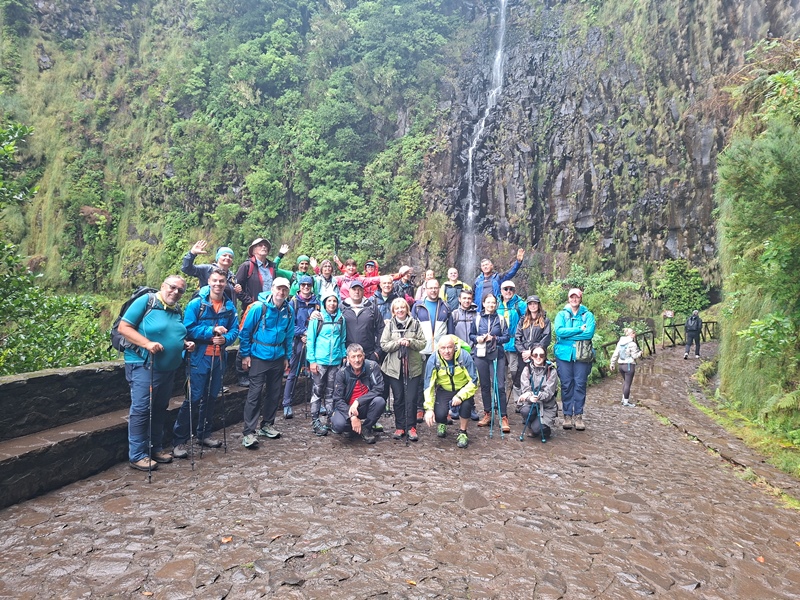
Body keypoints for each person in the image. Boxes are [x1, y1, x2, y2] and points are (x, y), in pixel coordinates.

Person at [117, 276, 196, 471]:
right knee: (142, 409)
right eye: (172, 287)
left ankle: (155, 448)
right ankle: (137, 455)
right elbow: (124, 327)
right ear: (163, 286)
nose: (175, 292)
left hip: (167, 368)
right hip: (143, 364)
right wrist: (147, 343)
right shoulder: (147, 301)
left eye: (180, 290)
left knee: (160, 408)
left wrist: (185, 344)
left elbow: (175, 333)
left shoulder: (175, 309)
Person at [173, 269, 239, 458]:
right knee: (192, 399)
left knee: (211, 398)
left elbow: (235, 330)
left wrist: (225, 339)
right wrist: (211, 331)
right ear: (208, 282)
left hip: (218, 359)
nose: (218, 284)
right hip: (198, 359)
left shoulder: (229, 306)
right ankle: (179, 440)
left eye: (222, 281)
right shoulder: (197, 305)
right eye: (215, 281)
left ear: (226, 283)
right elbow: (188, 328)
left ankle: (204, 433)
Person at [239, 277, 294, 448]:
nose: (281, 292)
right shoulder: (258, 308)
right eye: (279, 288)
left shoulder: (289, 310)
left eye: (285, 289)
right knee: (254, 394)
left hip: (278, 357)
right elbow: (245, 332)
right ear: (272, 289)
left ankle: (267, 425)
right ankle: (249, 432)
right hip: (259, 356)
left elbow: (289, 336)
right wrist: (245, 355)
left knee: (274, 393)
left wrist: (287, 357)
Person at [233, 238, 292, 387]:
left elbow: (278, 271)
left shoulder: (271, 266)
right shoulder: (247, 266)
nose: (263, 247)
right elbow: (237, 287)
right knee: (247, 334)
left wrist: (280, 255)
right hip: (254, 307)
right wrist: (250, 301)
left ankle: (259, 370)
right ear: (253, 250)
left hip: (271, 306)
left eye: (265, 245)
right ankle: (241, 372)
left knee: (265, 335)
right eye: (260, 245)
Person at [381, 298, 427, 441]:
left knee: (412, 398)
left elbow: (423, 343)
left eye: (402, 307)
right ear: (393, 311)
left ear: (407, 309)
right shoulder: (389, 326)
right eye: (397, 308)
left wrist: (410, 342)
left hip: (412, 367)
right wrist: (397, 343)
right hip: (394, 368)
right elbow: (384, 344)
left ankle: (411, 427)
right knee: (399, 397)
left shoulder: (415, 324)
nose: (400, 310)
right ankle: (400, 426)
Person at [423, 335, 479, 448]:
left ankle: (463, 432)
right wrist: (428, 408)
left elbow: (474, 380)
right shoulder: (433, 360)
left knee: (466, 406)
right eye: (443, 348)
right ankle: (442, 423)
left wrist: (461, 396)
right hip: (444, 389)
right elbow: (429, 385)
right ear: (438, 348)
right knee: (439, 414)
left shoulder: (464, 356)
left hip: (463, 388)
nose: (447, 351)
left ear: (455, 347)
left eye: (449, 347)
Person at [553, 288, 596, 431]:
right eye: (571, 297)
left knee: (580, 384)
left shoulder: (588, 315)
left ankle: (578, 415)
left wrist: (567, 336)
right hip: (563, 355)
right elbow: (559, 331)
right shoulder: (561, 314)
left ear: (580, 298)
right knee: (566, 385)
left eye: (576, 297)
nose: (574, 299)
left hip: (582, 355)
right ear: (568, 298)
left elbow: (588, 334)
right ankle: (567, 415)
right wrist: (579, 329)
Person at [306, 292, 347, 436]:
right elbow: (310, 340)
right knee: (317, 392)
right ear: (324, 303)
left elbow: (342, 339)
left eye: (334, 301)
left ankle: (331, 418)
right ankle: (315, 421)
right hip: (320, 362)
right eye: (329, 301)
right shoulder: (318, 318)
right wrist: (312, 360)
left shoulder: (341, 319)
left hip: (335, 362)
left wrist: (343, 356)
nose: (332, 304)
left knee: (331, 392)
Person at [411, 279, 452, 422]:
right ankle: (420, 408)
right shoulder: (418, 306)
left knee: (442, 380)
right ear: (425, 289)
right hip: (422, 349)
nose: (433, 290)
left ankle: (443, 409)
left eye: (436, 288)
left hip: (441, 350)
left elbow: (450, 330)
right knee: (422, 379)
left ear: (439, 289)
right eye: (431, 288)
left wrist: (449, 348)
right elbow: (413, 328)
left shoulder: (445, 306)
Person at [330, 344, 387, 444]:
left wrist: (358, 401)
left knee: (380, 401)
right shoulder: (342, 373)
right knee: (338, 425)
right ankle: (351, 428)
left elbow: (379, 388)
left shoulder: (372, 366)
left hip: (365, 405)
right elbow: (338, 399)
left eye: (359, 356)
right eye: (353, 357)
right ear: (348, 358)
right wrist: (352, 416)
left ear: (363, 356)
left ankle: (366, 428)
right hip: (348, 408)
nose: (357, 360)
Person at [471, 294, 511, 432]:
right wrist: (478, 338)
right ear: (483, 303)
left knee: (499, 385)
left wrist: (494, 338)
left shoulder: (500, 319)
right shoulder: (477, 318)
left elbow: (506, 337)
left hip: (497, 354)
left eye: (493, 303)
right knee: (485, 386)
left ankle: (503, 416)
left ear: (496, 304)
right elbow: (471, 335)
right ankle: (487, 413)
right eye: (488, 302)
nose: (491, 305)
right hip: (481, 354)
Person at [282, 275, 319, 419]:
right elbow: (289, 324)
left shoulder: (317, 303)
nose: (305, 287)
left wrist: (310, 335)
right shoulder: (293, 303)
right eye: (303, 285)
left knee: (315, 372)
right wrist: (302, 333)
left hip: (312, 342)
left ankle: (316, 402)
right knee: (293, 373)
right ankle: (286, 404)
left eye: (308, 285)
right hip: (297, 342)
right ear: (299, 286)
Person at [448, 289, 480, 421]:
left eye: (469, 298)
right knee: (456, 378)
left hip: (473, 351)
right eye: (464, 298)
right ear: (459, 299)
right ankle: (455, 407)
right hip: (458, 352)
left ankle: (471, 407)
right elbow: (450, 332)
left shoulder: (477, 315)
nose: (466, 301)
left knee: (471, 380)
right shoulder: (454, 314)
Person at [497, 280, 527, 408]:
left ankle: (518, 400)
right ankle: (499, 400)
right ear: (501, 291)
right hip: (499, 343)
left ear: (514, 291)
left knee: (515, 373)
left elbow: (528, 321)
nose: (508, 291)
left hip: (514, 344)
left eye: (511, 289)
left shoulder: (520, 304)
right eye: (505, 289)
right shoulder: (496, 304)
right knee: (499, 373)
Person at [518, 347, 558, 440]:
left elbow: (548, 393)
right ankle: (532, 425)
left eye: (541, 355)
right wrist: (529, 397)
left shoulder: (551, 371)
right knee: (524, 411)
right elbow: (525, 389)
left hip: (547, 406)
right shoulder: (527, 369)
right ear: (531, 356)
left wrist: (532, 395)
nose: (538, 357)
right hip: (531, 403)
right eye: (535, 355)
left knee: (537, 429)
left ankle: (544, 429)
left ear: (545, 357)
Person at [610, 328, 643, 407]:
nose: (635, 335)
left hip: (621, 365)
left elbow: (615, 353)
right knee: (628, 383)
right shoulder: (632, 344)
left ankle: (623, 399)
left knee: (625, 382)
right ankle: (626, 402)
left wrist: (612, 363)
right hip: (629, 365)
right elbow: (634, 356)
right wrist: (640, 353)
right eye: (634, 333)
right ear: (631, 334)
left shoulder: (620, 342)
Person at [515, 295, 552, 361]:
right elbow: (517, 337)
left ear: (538, 305)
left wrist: (532, 351)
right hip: (524, 355)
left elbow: (546, 338)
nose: (533, 306)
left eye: (535, 303)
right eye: (530, 304)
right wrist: (522, 351)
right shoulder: (523, 320)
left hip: (538, 355)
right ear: (528, 306)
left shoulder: (545, 320)